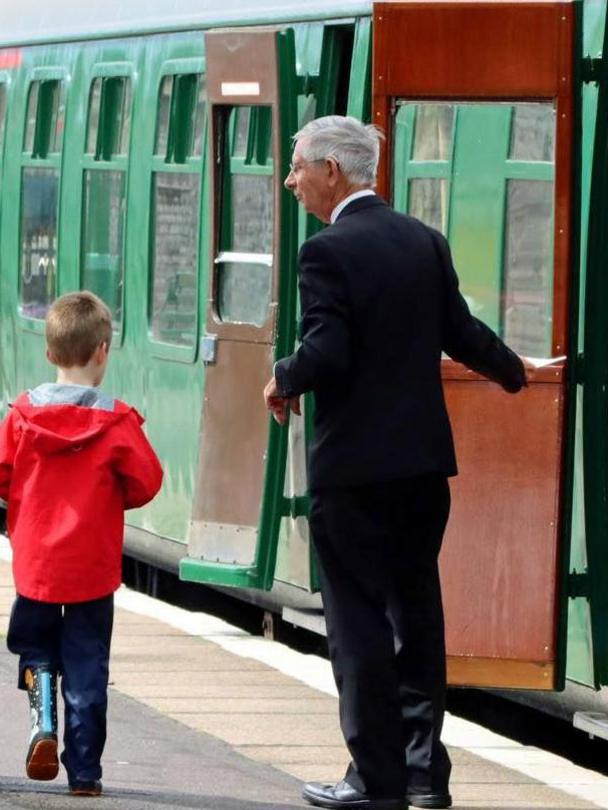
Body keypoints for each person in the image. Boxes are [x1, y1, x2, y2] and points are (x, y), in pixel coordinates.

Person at [267, 116, 527, 810]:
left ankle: (374, 780)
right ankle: (424, 776)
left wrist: (283, 376)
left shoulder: (325, 252)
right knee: (417, 618)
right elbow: (463, 333)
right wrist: (514, 372)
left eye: (297, 168)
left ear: (332, 171)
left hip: (353, 473)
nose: (291, 182)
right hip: (420, 470)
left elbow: (330, 350)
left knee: (357, 628)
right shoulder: (422, 240)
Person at [0, 291, 163, 797]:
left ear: (49, 353)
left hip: (36, 565)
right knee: (87, 666)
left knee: (36, 647)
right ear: (103, 351)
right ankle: (84, 773)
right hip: (92, 569)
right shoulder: (118, 422)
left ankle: (43, 723)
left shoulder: (21, 416)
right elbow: (148, 482)